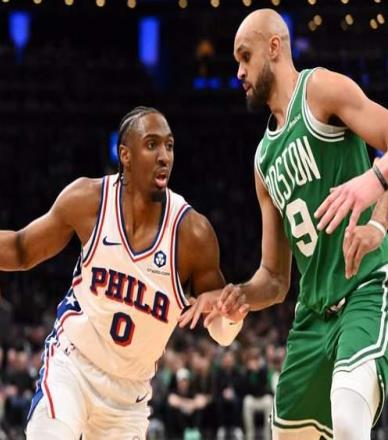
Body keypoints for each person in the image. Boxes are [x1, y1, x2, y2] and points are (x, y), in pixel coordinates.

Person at [0, 106, 248, 439]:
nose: (164, 156)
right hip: (71, 368)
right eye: (152, 144)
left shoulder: (193, 234)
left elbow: (221, 330)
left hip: (128, 398)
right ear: (125, 155)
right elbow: (23, 249)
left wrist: (231, 317)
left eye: (169, 145)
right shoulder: (89, 200)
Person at [180, 9, 388, 440]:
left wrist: (378, 201)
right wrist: (238, 296)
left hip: (365, 287)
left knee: (349, 420)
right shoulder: (263, 161)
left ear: (274, 47)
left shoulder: (320, 89)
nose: (238, 72)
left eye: (245, 57)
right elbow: (275, 278)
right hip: (312, 313)